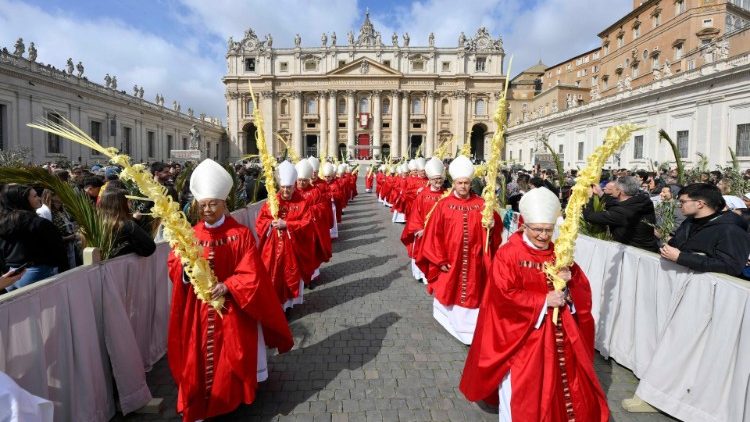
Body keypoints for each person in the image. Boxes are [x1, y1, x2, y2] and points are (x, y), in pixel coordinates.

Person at [460, 186, 609, 421]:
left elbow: (580, 292)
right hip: (522, 337)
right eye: (537, 230)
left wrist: (571, 282)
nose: (542, 236)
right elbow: (502, 295)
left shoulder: (559, 253)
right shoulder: (508, 254)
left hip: (559, 333)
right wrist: (543, 301)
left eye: (548, 231)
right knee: (523, 389)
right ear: (524, 226)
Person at [166, 158, 293, 422]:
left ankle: (232, 398)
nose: (208, 209)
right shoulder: (190, 235)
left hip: (232, 307)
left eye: (213, 204)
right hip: (199, 312)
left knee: (230, 358)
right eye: (203, 205)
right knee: (197, 360)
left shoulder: (240, 234)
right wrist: (186, 273)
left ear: (225, 203)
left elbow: (252, 273)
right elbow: (174, 264)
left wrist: (228, 285)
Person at [417, 155, 503, 344]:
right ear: (454, 183)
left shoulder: (482, 204)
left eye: (466, 183)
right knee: (451, 289)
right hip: (451, 259)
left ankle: (470, 331)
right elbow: (433, 236)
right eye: (460, 183)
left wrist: (492, 223)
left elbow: (496, 229)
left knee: (473, 291)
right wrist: (439, 260)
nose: (463, 186)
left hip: (475, 260)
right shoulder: (443, 205)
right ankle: (450, 322)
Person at [255, 161, 315, 310]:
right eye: (283, 187)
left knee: (290, 276)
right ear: (279, 186)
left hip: (293, 249)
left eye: (289, 187)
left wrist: (287, 224)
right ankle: (275, 305)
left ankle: (288, 305)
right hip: (273, 248)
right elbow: (260, 220)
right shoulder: (272, 201)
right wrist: (270, 223)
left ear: (294, 186)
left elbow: (307, 223)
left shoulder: (302, 202)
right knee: (273, 276)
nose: (286, 191)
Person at [660, 183, 750, 277]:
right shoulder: (689, 221)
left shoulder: (731, 229)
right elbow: (681, 245)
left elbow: (731, 266)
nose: (679, 205)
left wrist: (681, 257)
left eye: (683, 202)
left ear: (699, 203)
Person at [0, 184, 66, 291]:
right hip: (37, 273)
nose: (39, 198)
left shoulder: (3, 224)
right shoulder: (39, 223)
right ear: (23, 200)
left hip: (10, 276)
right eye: (34, 196)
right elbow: (58, 249)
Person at [583, 176, 659, 253]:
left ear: (619, 191)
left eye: (614, 187)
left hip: (636, 254)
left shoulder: (623, 212)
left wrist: (588, 198)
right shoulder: (644, 200)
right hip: (649, 249)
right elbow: (616, 203)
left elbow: (590, 216)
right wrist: (600, 193)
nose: (612, 189)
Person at [404, 157, 446, 284]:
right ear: (430, 179)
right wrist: (419, 229)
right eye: (435, 179)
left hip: (439, 233)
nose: (437, 181)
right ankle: (421, 274)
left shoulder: (446, 195)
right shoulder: (423, 195)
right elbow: (415, 213)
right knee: (422, 252)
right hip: (423, 231)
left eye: (439, 179)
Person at [97, 189, 156, 258]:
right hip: (125, 266)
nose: (131, 204)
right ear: (121, 204)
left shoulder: (97, 224)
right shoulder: (127, 225)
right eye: (129, 201)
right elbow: (150, 247)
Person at [41, 189, 78, 269]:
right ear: (51, 197)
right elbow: (51, 237)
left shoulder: (62, 210)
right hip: (60, 252)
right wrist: (69, 237)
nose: (62, 198)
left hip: (70, 248)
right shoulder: (46, 213)